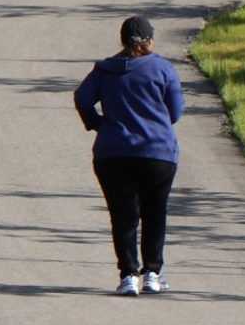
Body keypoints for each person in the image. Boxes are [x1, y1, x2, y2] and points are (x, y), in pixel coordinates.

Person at [74, 15, 184, 295]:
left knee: (123, 215)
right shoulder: (162, 68)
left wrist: (99, 124)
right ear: (149, 40)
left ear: (122, 40)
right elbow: (176, 111)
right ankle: (152, 272)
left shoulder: (104, 70)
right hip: (157, 152)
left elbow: (83, 98)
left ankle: (128, 275)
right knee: (154, 212)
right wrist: (157, 123)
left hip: (113, 152)